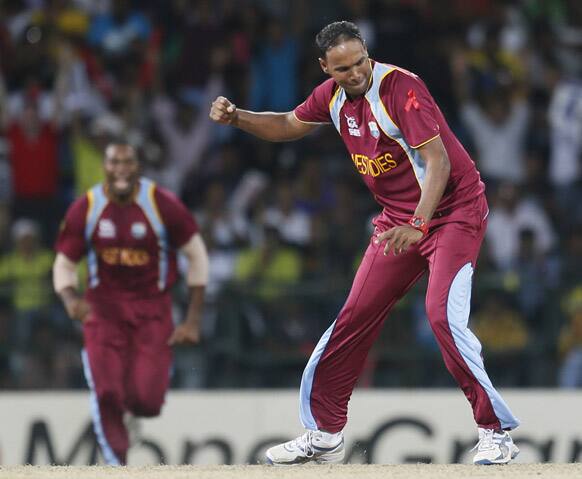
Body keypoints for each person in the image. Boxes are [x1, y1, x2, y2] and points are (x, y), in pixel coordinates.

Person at [209, 21, 520, 466]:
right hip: (399, 221)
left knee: (441, 315)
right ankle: (324, 433)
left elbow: (438, 161)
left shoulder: (400, 88)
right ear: (325, 67)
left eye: (360, 62)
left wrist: (419, 221)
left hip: (453, 211)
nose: (355, 74)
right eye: (342, 69)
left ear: (366, 54)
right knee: (352, 318)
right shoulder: (331, 97)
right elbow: (286, 124)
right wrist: (238, 116)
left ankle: (495, 432)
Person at [52, 140, 209, 465]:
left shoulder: (161, 204)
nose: (121, 169)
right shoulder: (87, 207)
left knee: (147, 402)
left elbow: (197, 255)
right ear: (104, 167)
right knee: (107, 392)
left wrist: (193, 319)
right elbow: (63, 264)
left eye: (127, 163)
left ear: (137, 167)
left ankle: (130, 403)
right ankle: (116, 464)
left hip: (152, 309)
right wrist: (69, 298)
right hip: (102, 310)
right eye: (114, 163)